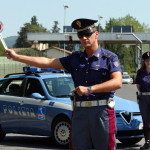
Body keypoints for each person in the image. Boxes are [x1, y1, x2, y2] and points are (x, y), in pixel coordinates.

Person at [5, 18, 122, 150]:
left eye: (87, 34)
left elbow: (117, 82)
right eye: (80, 35)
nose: (84, 38)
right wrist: (16, 57)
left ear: (96, 34)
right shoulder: (74, 59)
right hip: (80, 111)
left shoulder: (109, 57)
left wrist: (90, 89)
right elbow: (46, 62)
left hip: (102, 111)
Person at [135, 51, 150, 150]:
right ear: (144, 62)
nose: (149, 62)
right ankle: (147, 142)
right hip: (144, 98)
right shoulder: (140, 72)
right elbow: (138, 86)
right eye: (147, 60)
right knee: (146, 121)